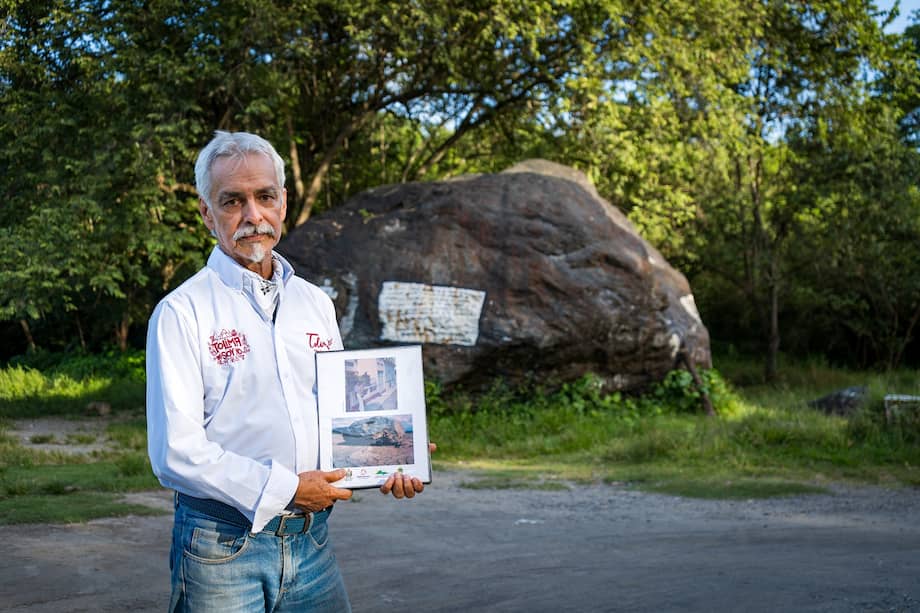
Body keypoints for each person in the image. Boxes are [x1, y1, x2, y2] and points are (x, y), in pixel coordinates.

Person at [146, 130, 428, 612]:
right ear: (206, 213)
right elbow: (176, 453)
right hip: (222, 548)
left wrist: (394, 451)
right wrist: (290, 488)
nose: (252, 216)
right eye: (232, 201)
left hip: (312, 543)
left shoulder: (314, 303)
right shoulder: (182, 313)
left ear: (283, 202)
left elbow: (340, 413)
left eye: (265, 197)